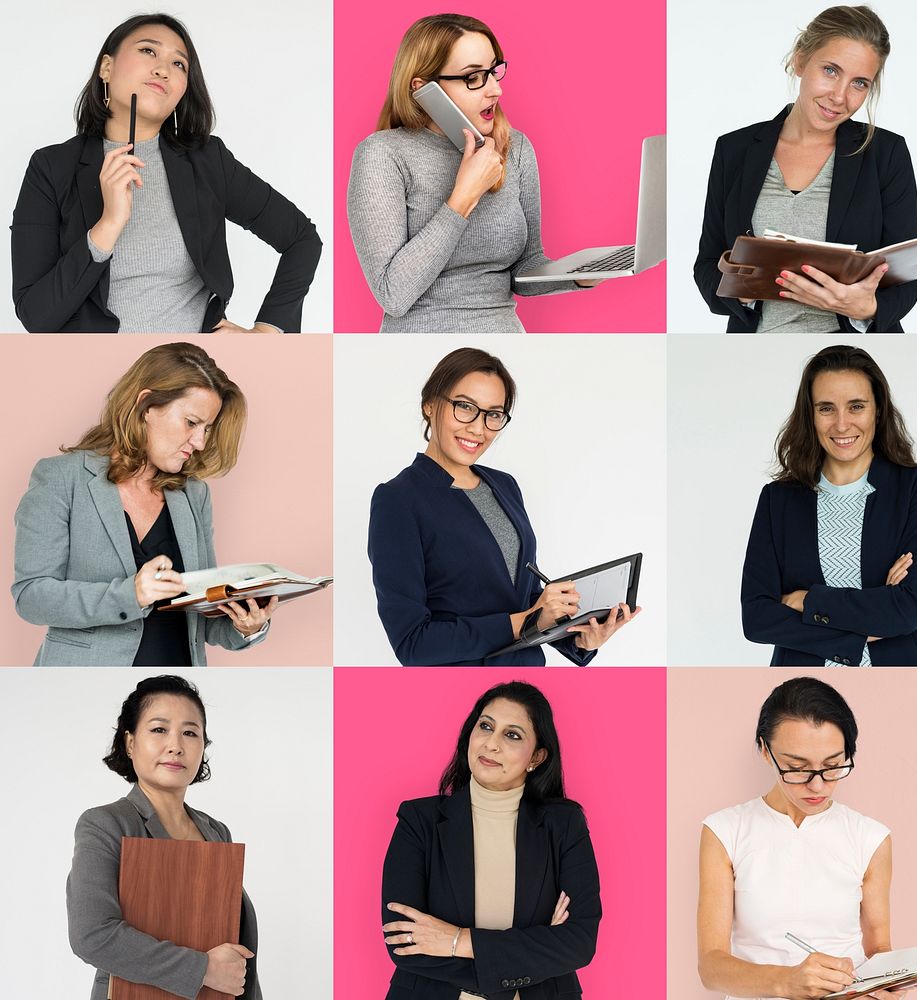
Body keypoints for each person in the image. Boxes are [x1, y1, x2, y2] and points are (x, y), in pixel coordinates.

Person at [11, 13, 321, 332]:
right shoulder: (51, 167)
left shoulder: (208, 161)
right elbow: (37, 317)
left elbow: (301, 238)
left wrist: (268, 331)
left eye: (179, 64)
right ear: (107, 67)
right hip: (92, 370)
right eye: (148, 51)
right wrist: (108, 225)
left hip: (191, 367)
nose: (163, 69)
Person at [367, 347, 639, 665]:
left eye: (493, 414)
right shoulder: (398, 501)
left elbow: (522, 598)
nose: (478, 428)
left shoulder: (504, 485)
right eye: (464, 407)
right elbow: (412, 644)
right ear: (430, 405)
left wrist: (580, 637)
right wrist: (527, 621)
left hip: (525, 682)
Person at [12, 342, 276, 665]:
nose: (200, 442)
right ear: (146, 406)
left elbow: (204, 618)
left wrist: (247, 625)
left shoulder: (195, 494)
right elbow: (31, 596)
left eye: (207, 429)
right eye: (192, 423)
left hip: (177, 678)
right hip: (84, 685)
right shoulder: (61, 479)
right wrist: (131, 594)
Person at [347, 13, 600, 333]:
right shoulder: (383, 154)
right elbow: (393, 295)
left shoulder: (515, 147)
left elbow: (524, 269)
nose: (495, 90)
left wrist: (580, 274)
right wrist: (463, 197)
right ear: (423, 89)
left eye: (494, 72)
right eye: (473, 77)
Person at [694, 5, 917, 333]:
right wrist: (744, 290)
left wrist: (866, 306)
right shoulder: (735, 150)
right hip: (755, 352)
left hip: (856, 350)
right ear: (801, 61)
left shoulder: (886, 153)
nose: (840, 97)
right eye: (830, 70)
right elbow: (706, 266)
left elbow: (907, 277)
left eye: (859, 83)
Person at [381, 680, 601, 999]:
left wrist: (456, 940)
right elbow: (404, 943)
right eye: (486, 726)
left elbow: (579, 943)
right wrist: (538, 951)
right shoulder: (419, 821)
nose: (491, 744)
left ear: (536, 757)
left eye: (512, 734)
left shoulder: (564, 825)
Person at [698, 676, 912, 1000]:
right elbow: (711, 968)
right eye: (797, 768)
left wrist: (890, 983)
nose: (817, 786)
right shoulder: (725, 831)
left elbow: (879, 948)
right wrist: (787, 982)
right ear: (765, 751)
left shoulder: (870, 837)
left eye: (832, 766)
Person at [741, 345, 917, 666]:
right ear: (809, 414)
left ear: (877, 410)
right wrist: (868, 620)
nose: (841, 424)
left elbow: (907, 610)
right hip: (803, 686)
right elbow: (756, 618)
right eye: (826, 408)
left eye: (856, 406)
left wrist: (807, 600)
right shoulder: (778, 499)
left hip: (907, 678)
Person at [67, 675, 260, 999]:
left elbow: (232, 944)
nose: (176, 745)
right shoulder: (106, 824)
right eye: (159, 729)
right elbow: (92, 935)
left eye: (190, 732)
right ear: (130, 742)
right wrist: (203, 969)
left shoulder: (216, 831)